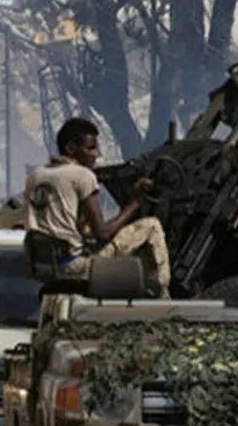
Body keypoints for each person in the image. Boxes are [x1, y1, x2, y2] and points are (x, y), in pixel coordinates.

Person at [23, 118, 171, 297]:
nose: (96, 155)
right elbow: (103, 233)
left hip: (42, 266)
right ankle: (162, 293)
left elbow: (68, 225)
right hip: (75, 267)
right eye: (91, 148)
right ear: (71, 148)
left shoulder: (35, 176)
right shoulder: (82, 175)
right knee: (151, 226)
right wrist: (135, 202)